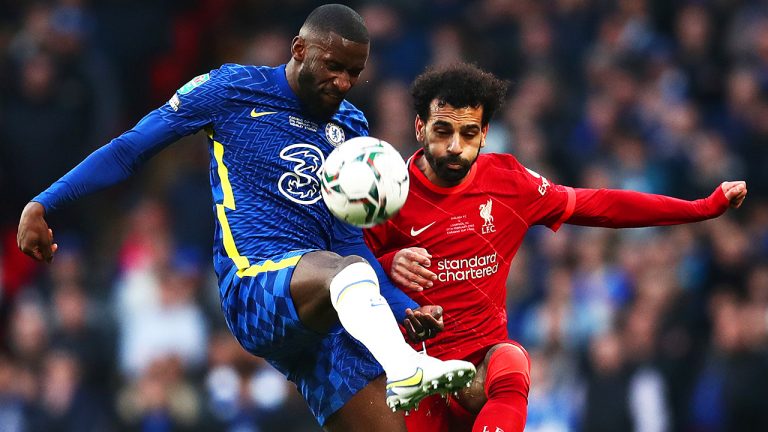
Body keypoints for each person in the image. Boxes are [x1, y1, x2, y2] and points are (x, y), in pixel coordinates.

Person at [16, 5, 476, 431]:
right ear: (300, 49)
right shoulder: (232, 89)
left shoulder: (349, 126)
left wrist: (403, 307)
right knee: (347, 274)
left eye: (353, 73)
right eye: (333, 67)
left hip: (326, 311)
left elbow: (347, 239)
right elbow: (130, 148)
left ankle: (403, 364)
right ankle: (406, 367)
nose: (342, 82)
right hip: (255, 284)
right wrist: (44, 202)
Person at [363, 62, 748, 432]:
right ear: (419, 127)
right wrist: (386, 263)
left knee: (512, 360)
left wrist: (701, 208)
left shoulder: (509, 182)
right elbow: (347, 273)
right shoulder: (387, 195)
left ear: (484, 133)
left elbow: (600, 205)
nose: (454, 147)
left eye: (468, 134)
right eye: (442, 130)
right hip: (415, 376)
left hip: (481, 370)